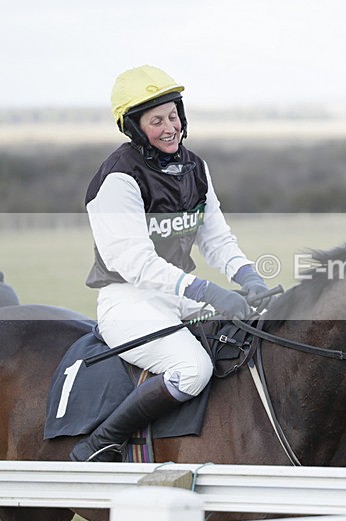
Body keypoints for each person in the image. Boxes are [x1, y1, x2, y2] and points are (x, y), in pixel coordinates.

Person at [71, 65, 272, 462]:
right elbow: (134, 262)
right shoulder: (118, 177)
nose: (170, 128)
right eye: (156, 120)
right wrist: (207, 290)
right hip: (128, 301)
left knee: (253, 331)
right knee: (193, 369)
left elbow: (216, 238)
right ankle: (101, 443)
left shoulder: (195, 167)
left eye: (173, 115)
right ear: (134, 127)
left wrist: (249, 278)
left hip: (178, 297)